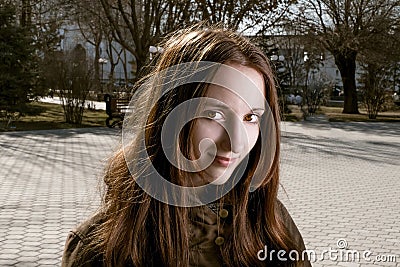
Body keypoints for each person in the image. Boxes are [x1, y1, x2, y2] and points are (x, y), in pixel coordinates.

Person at [62, 25, 311, 267]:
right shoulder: (104, 247)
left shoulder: (272, 225)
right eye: (214, 114)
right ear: (170, 116)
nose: (236, 142)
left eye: (251, 117)